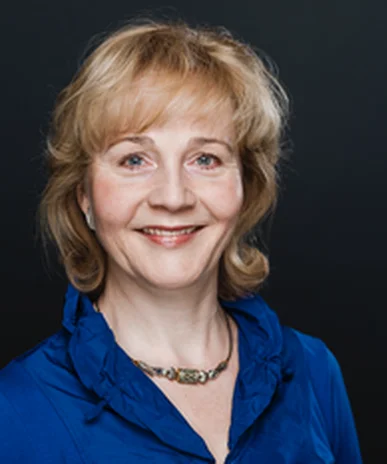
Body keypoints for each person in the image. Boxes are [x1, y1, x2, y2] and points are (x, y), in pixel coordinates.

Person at [0, 20, 362, 463]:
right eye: (134, 160)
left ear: (244, 186)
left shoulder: (312, 370)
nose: (173, 198)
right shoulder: (15, 412)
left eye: (205, 159)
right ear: (84, 196)